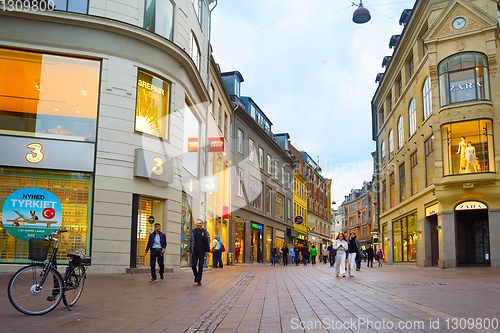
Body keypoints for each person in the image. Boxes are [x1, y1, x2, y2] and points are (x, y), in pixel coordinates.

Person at [187, 219, 211, 286]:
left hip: (202, 251)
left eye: (200, 223)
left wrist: (208, 251)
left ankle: (199, 280)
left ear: (202, 224)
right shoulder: (193, 232)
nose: (198, 224)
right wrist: (188, 250)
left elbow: (208, 242)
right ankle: (196, 276)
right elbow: (190, 241)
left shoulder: (205, 232)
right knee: (193, 265)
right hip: (194, 251)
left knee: (201, 266)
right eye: (197, 223)